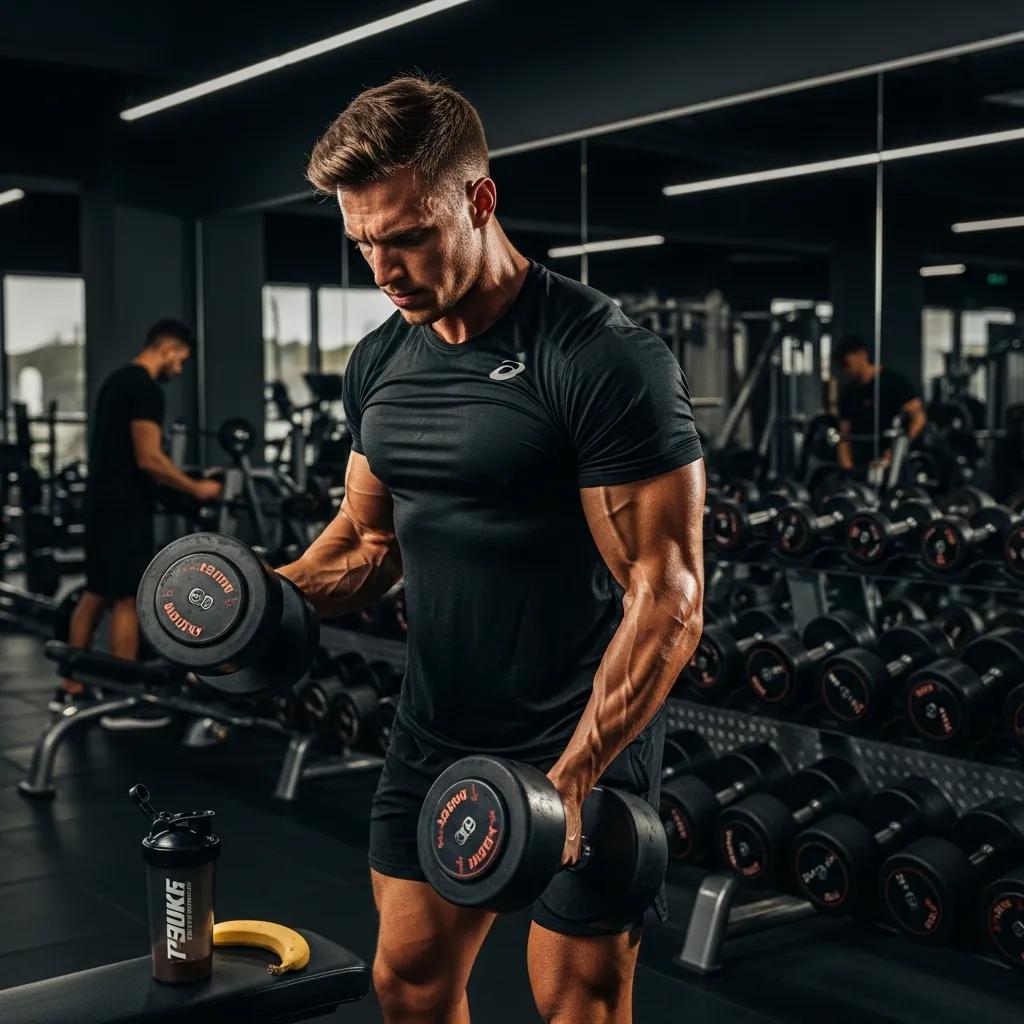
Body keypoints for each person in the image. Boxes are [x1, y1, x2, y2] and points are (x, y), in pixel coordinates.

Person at [279, 76, 705, 1024]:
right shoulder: (381, 361)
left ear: (479, 199)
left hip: (579, 736)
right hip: (437, 728)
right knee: (408, 985)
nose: (382, 269)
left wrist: (575, 777)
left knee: (579, 1002)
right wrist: (264, 600)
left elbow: (666, 594)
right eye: (362, 244)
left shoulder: (599, 356)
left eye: (406, 236)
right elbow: (364, 540)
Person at [53, 319, 223, 722]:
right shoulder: (145, 388)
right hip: (124, 509)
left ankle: (70, 688)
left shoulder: (116, 382)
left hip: (100, 504)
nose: (178, 369)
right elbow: (149, 459)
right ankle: (121, 698)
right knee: (128, 598)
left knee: (95, 593)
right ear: (168, 349)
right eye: (180, 360)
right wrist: (195, 489)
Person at [833, 334, 927, 471]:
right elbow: (844, 434)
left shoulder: (894, 383)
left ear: (862, 355)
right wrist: (847, 467)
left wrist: (897, 451)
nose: (845, 370)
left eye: (846, 364)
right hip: (862, 464)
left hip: (894, 462)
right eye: (842, 366)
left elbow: (918, 418)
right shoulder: (848, 394)